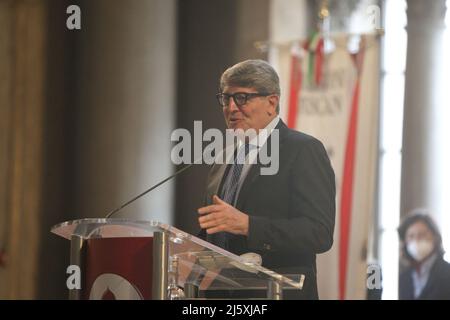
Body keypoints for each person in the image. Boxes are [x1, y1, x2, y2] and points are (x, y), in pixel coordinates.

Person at [197, 59, 336, 299]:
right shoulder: (223, 158)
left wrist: (249, 225)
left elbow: (319, 233)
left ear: (272, 102)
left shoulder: (302, 150)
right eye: (225, 98)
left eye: (241, 98)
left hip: (277, 293)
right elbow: (215, 230)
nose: (231, 108)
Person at [398, 209, 450, 300]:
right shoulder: (404, 277)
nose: (416, 240)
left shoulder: (447, 272)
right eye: (411, 236)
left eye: (422, 235)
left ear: (435, 237)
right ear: (405, 241)